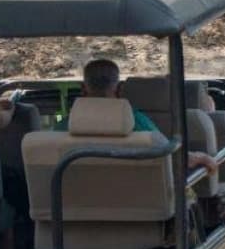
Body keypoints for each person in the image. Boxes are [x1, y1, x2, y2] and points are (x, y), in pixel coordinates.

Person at [78, 58, 212, 172]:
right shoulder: (135, 121)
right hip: (136, 200)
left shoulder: (64, 128)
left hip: (77, 202)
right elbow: (172, 155)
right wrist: (199, 157)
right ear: (120, 89)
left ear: (83, 89)